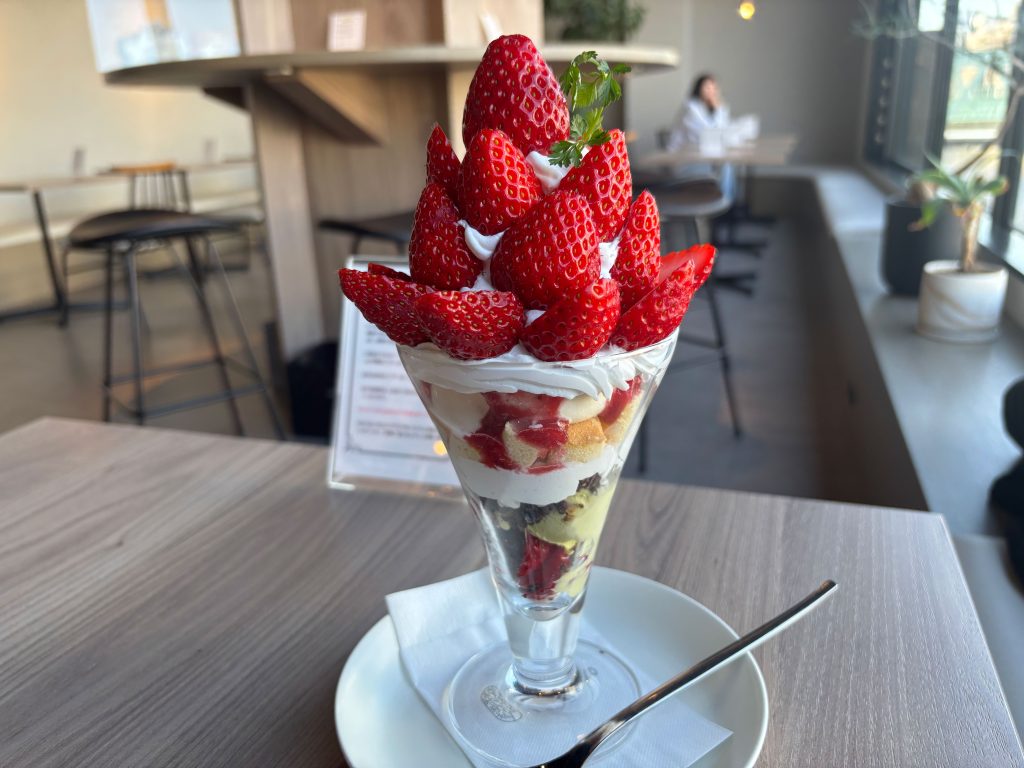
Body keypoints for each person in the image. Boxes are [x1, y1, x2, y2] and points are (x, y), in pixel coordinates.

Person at [667, 73, 731, 151]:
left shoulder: (717, 107)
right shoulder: (690, 107)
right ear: (699, 89)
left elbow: (724, 130)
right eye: (707, 88)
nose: (711, 91)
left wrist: (718, 109)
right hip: (683, 152)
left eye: (714, 88)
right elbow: (703, 135)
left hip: (705, 151)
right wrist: (718, 111)